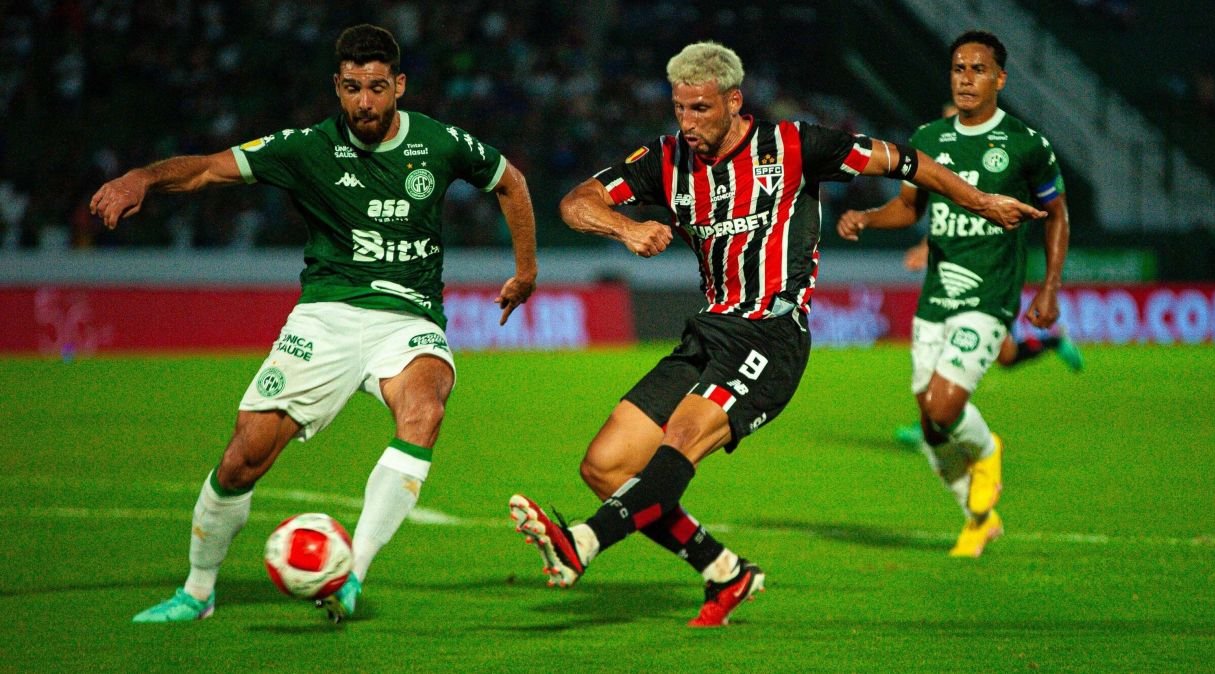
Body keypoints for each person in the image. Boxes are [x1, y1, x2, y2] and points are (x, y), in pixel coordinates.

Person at [505, 40, 1045, 627]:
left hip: (771, 334)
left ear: (734, 101)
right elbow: (576, 202)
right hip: (709, 333)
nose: (687, 123)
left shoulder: (796, 146)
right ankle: (724, 571)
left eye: (700, 109)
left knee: (679, 440)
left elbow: (906, 162)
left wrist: (980, 200)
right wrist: (626, 228)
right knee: (606, 467)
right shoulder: (665, 159)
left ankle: (583, 542)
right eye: (679, 108)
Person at [90, 24, 538, 623]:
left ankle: (352, 575)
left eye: (376, 87)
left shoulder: (439, 142)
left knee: (425, 409)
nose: (365, 102)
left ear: (399, 85)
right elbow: (207, 170)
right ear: (337, 87)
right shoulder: (306, 148)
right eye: (352, 88)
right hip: (326, 317)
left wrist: (525, 271)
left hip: (408, 318)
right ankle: (197, 592)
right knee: (243, 458)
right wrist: (142, 177)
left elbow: (511, 181)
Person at [836, 30, 1071, 557]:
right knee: (930, 426)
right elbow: (909, 209)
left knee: (944, 407)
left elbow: (1057, 215)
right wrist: (868, 217)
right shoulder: (928, 138)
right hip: (937, 296)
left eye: (978, 69)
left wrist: (1049, 287)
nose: (966, 79)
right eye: (959, 69)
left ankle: (988, 451)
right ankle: (978, 517)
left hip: (991, 293)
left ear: (1000, 79)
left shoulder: (1026, 144)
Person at [892, 234, 1083, 449]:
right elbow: (943, 227)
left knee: (1005, 356)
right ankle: (930, 425)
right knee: (955, 353)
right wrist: (925, 248)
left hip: (992, 292)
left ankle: (1053, 342)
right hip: (962, 290)